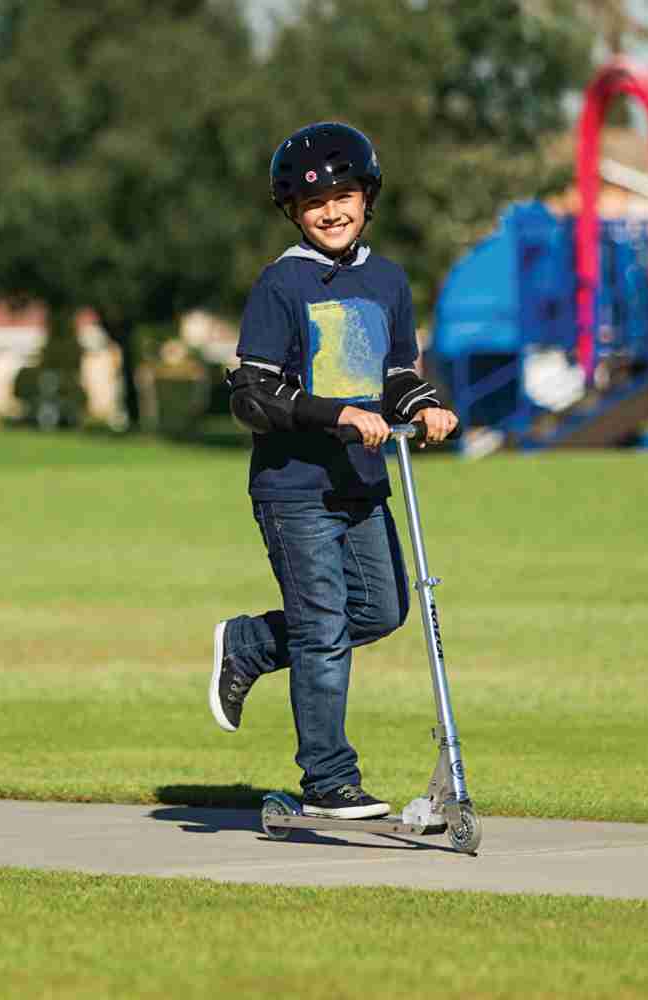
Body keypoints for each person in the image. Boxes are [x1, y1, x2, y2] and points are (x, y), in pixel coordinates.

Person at [207, 123, 458, 819]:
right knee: (321, 626)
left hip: (362, 483)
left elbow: (397, 374)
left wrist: (426, 405)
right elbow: (253, 394)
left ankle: (252, 642)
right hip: (294, 489)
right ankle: (327, 778)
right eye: (315, 201)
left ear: (368, 196)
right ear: (292, 211)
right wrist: (337, 416)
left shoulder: (387, 281)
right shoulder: (280, 284)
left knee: (380, 610)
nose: (332, 210)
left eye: (345, 194)